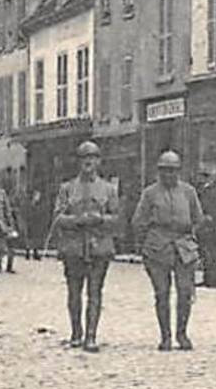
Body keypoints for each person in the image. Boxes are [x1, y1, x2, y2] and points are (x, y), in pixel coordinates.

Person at [132, 150, 204, 351]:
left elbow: (198, 218)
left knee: (185, 292)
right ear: (159, 171)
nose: (169, 175)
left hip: (184, 247)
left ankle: (182, 333)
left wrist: (191, 238)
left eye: (173, 171)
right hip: (157, 248)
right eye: (165, 171)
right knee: (162, 293)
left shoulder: (189, 192)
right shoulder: (150, 193)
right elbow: (138, 221)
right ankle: (165, 336)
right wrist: (147, 244)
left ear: (179, 171)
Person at [53, 141, 119, 352]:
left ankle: (91, 336)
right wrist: (77, 220)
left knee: (95, 292)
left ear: (99, 161)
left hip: (99, 247)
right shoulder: (67, 189)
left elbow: (117, 219)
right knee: (74, 292)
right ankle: (76, 333)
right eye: (84, 158)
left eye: (92, 158)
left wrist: (100, 219)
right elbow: (57, 218)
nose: (88, 162)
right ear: (78, 162)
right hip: (73, 247)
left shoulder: (109, 189)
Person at [195, 167, 216, 289]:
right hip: (205, 226)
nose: (199, 179)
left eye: (202, 176)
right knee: (205, 252)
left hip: (211, 226)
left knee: (211, 253)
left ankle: (212, 279)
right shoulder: (203, 190)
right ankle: (208, 278)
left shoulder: (212, 191)